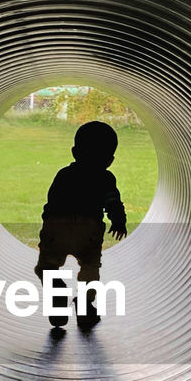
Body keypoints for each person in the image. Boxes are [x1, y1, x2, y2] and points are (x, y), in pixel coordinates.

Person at [34, 120, 127, 331]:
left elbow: (52, 201)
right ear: (110, 160)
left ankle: (56, 291)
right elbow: (113, 202)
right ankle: (85, 307)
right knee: (90, 268)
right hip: (89, 229)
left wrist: (49, 223)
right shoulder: (105, 178)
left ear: (74, 152)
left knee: (47, 266)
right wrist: (118, 221)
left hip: (57, 226)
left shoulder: (64, 175)